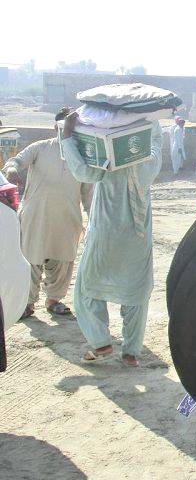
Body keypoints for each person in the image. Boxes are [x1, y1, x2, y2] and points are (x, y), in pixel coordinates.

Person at [60, 113, 163, 368]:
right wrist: (149, 121)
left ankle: (100, 342)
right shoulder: (149, 161)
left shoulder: (105, 160)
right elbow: (156, 140)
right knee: (136, 292)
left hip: (105, 234)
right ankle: (131, 353)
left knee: (86, 288)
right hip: (137, 238)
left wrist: (67, 135)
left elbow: (81, 171)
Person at [1, 108, 93, 318]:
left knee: (62, 262)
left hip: (67, 219)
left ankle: (54, 300)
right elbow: (14, 162)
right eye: (65, 126)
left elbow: (88, 193)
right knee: (30, 261)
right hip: (36, 217)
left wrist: (92, 218)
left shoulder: (83, 157)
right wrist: (12, 170)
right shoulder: (40, 148)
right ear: (55, 127)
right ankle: (27, 303)